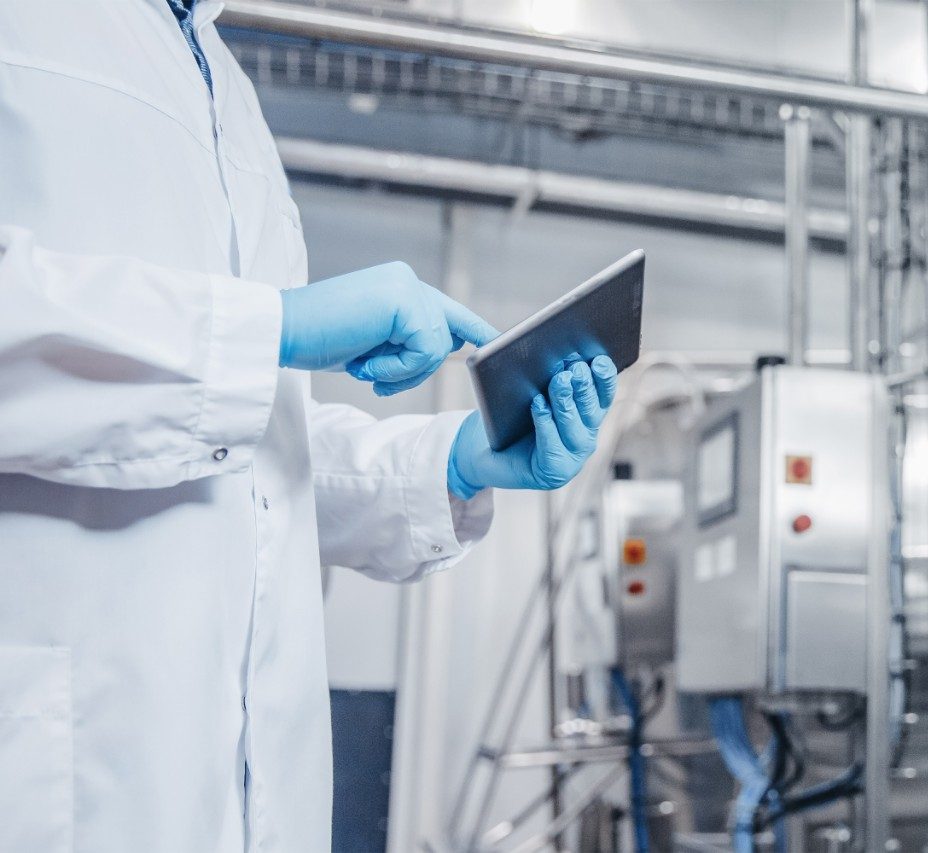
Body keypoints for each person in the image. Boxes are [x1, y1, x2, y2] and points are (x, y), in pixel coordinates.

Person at [0, 2, 617, 850]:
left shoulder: (228, 93)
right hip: (65, 768)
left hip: (249, 787)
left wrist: (458, 462)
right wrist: (273, 327)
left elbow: (250, 444)